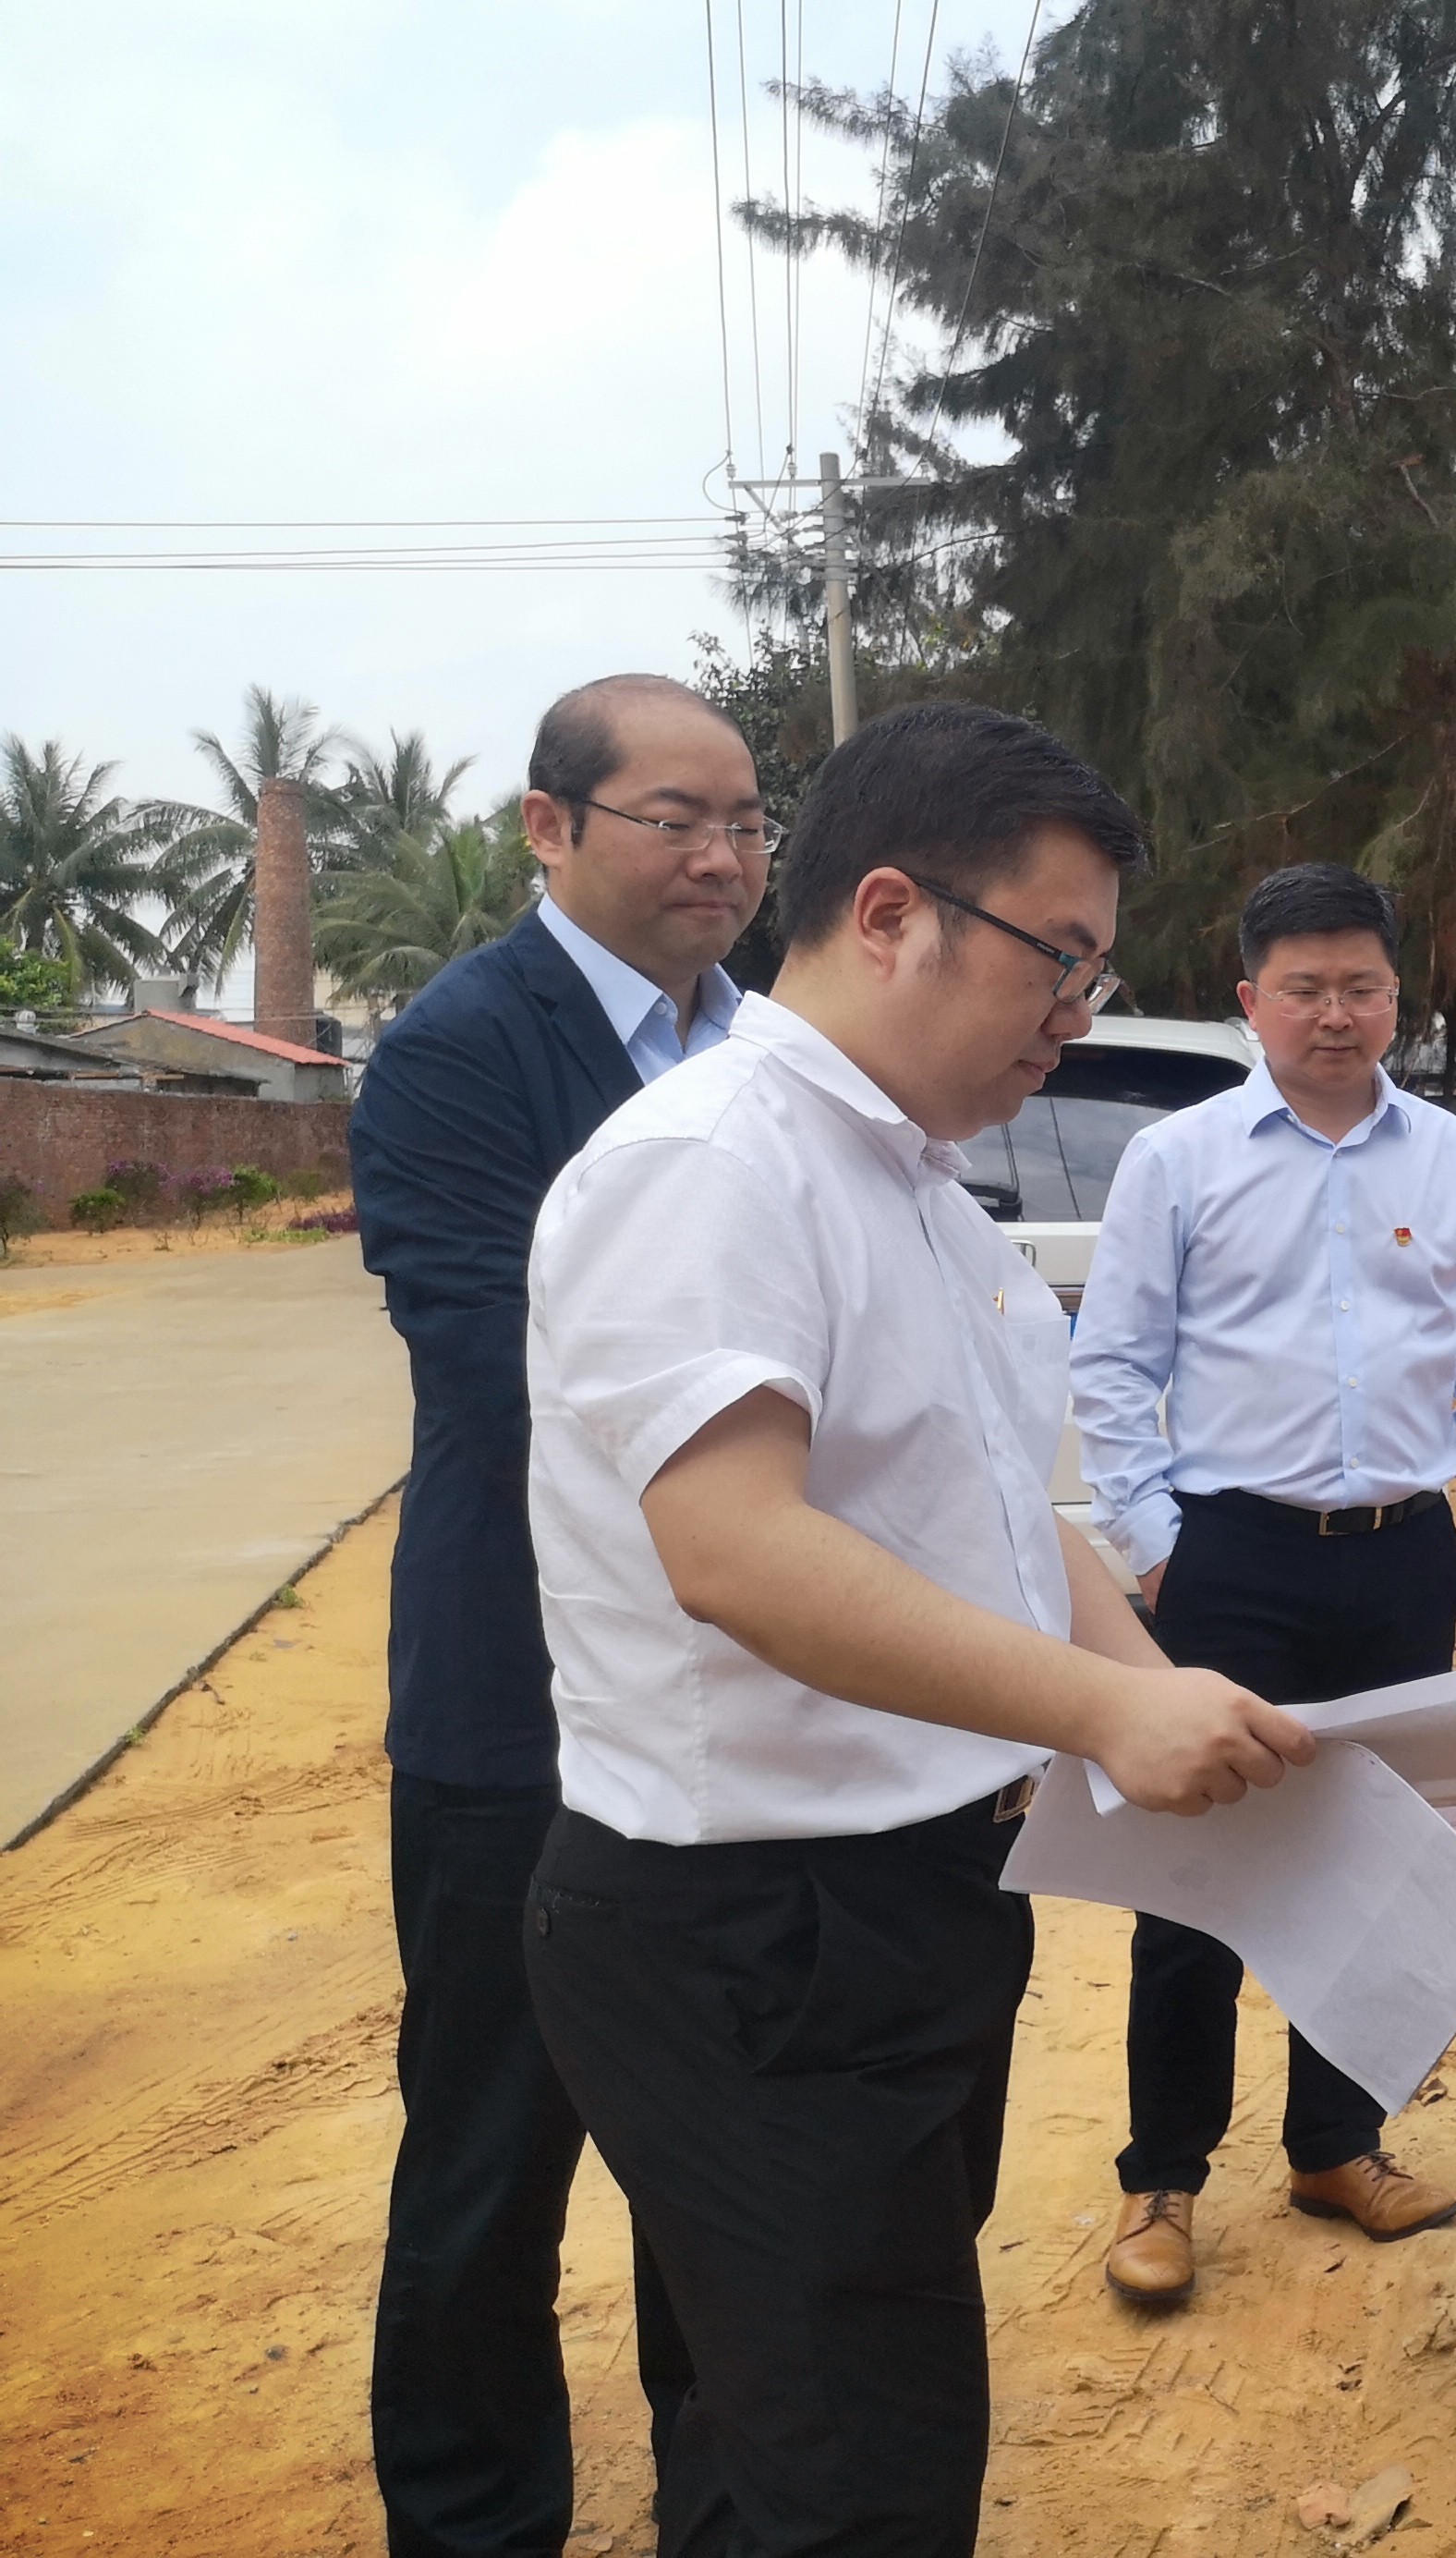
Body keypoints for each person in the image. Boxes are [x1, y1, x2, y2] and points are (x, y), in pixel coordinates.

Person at [518, 702, 1313, 2557]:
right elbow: (736, 1550)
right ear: (890, 915)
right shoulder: (712, 1163)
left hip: (900, 1900)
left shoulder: (914, 1186)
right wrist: (1098, 1718)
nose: (1076, 1017)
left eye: (1096, 974)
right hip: (751, 1929)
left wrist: (1155, 1685)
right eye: (1058, 960)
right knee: (859, 2473)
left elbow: (999, 1517)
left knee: (780, 2425)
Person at [349, 672, 764, 2558]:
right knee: (490, 2155)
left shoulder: (767, 1046)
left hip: (742, 1698)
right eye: (677, 817)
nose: (722, 856)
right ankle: (471, 2519)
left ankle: (727, 2505)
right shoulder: (458, 1048)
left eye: (745, 822)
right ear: (550, 826)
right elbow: (507, 1364)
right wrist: (775, 1448)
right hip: (517, 1707)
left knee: (723, 2152)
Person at [1070, 860, 1456, 2303]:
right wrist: (1155, 1541)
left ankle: (1338, 2146)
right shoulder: (1180, 1159)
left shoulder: (1448, 1158)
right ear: (1251, 1000)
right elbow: (1114, 1364)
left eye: (1361, 988)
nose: (1335, 1014)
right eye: (1304, 989)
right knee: (1198, 1874)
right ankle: (1162, 2179)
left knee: (1376, 1861)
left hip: (1403, 1557)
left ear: (1398, 998)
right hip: (1232, 1560)